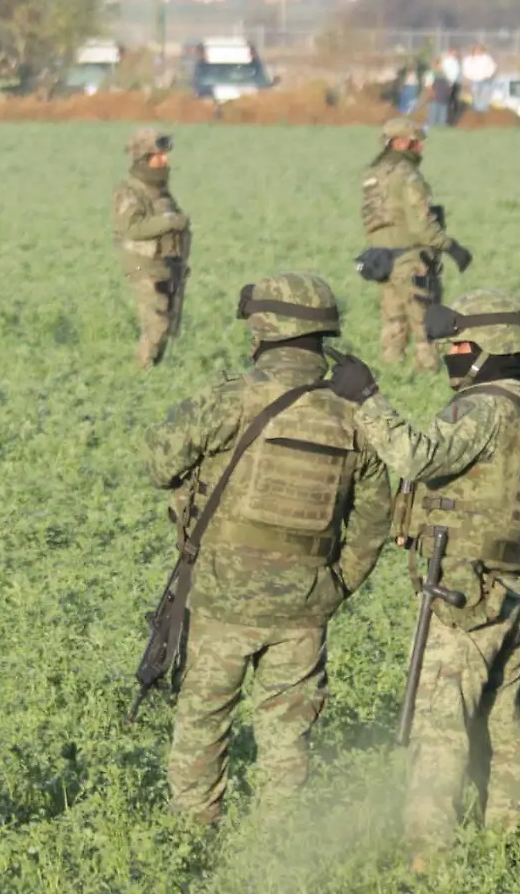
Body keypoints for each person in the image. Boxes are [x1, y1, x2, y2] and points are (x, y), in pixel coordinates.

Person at [143, 273, 393, 823]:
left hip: (219, 598)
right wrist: (337, 584)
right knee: (288, 739)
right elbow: (376, 517)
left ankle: (193, 840)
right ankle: (277, 854)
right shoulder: (356, 417)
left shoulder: (231, 398)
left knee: (203, 724)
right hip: (306, 601)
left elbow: (159, 464)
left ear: (262, 331)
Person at [325, 289, 520, 860]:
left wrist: (368, 399)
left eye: (460, 344)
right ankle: (513, 848)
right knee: (507, 728)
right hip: (516, 593)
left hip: (464, 596)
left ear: (490, 348)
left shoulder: (481, 410)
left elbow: (417, 458)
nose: (453, 355)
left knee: (440, 727)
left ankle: (429, 856)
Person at [359, 117, 471, 371]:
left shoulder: (372, 175)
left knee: (393, 323)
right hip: (412, 260)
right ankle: (427, 376)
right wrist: (452, 248)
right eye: (416, 142)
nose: (420, 148)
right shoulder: (408, 176)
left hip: (382, 259)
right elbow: (421, 226)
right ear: (401, 143)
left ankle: (391, 377)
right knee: (426, 326)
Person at [111, 128, 190, 368]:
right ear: (144, 158)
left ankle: (154, 369)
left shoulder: (159, 189)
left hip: (167, 263)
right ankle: (141, 372)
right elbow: (131, 227)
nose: (165, 160)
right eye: (159, 155)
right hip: (143, 264)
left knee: (168, 323)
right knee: (157, 323)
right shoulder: (131, 191)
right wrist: (169, 222)